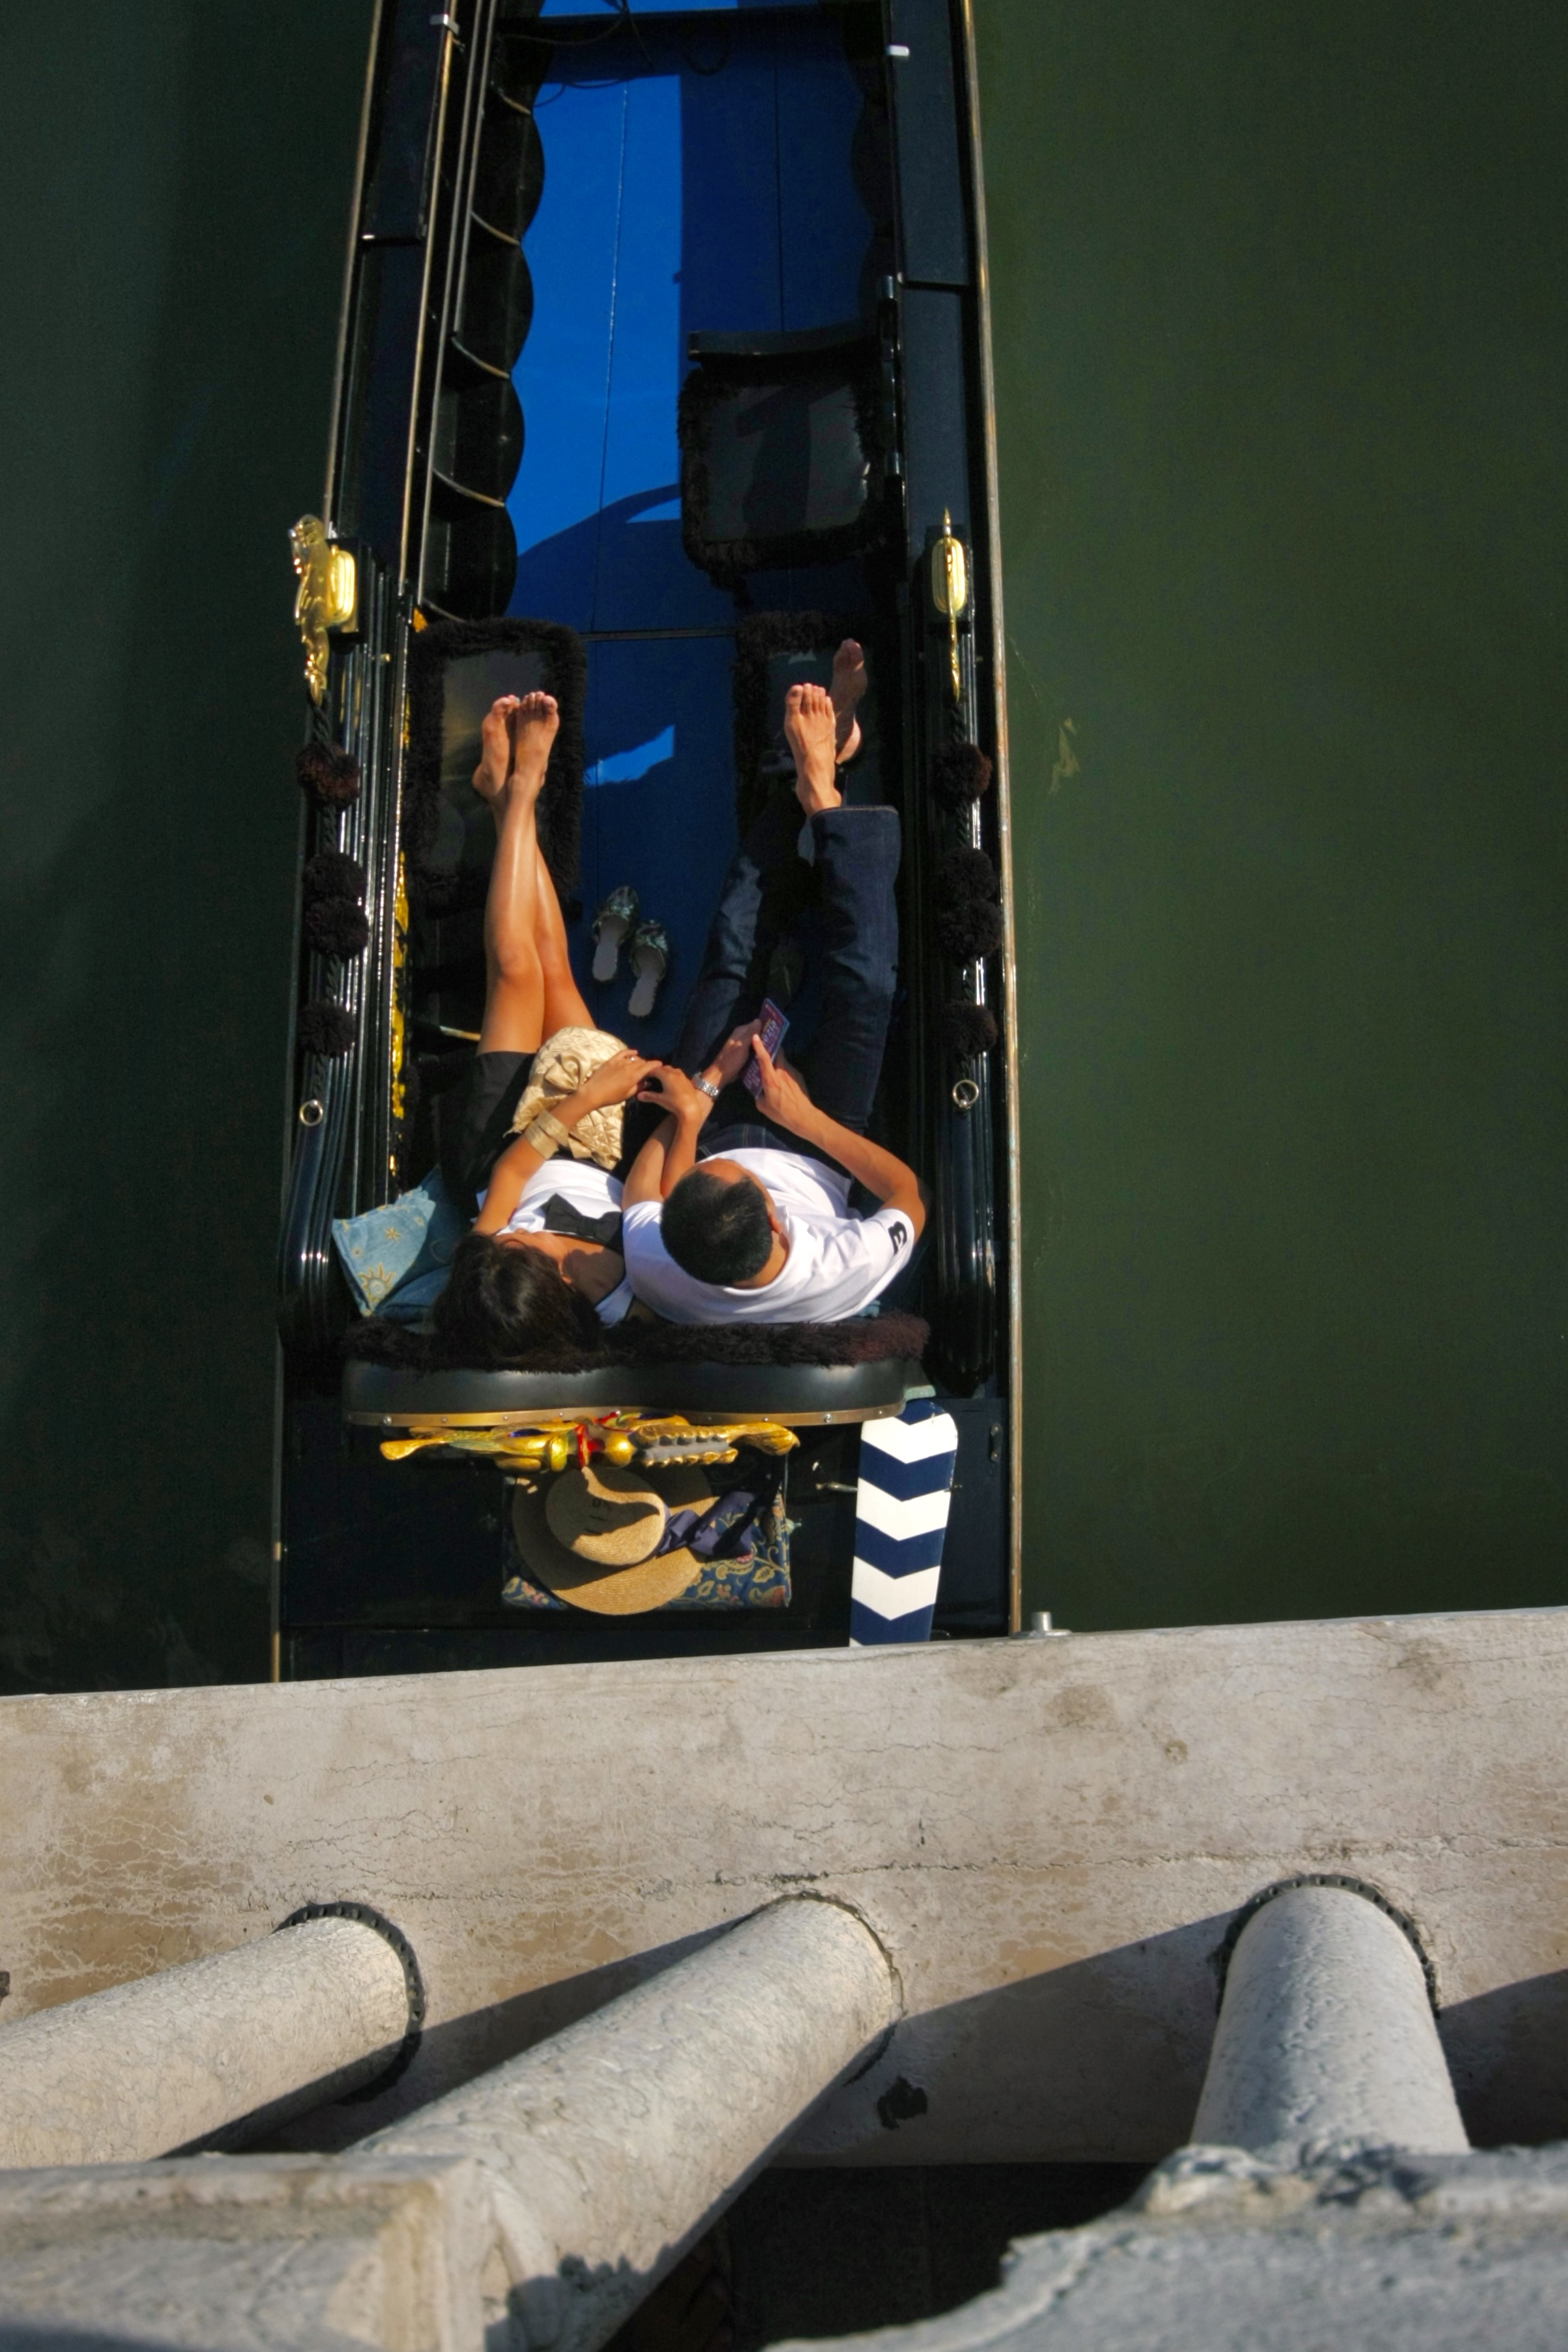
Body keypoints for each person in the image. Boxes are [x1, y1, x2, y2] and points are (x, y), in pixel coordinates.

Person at [620, 670, 927, 1324]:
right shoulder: (840, 1271)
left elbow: (640, 1195)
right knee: (867, 984)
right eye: (741, 1178)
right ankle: (825, 797)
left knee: (732, 949)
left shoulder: (659, 1260)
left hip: (717, 1120)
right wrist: (801, 1117)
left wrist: (700, 1099)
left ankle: (809, 778)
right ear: (779, 1224)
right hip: (824, 1138)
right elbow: (908, 1194)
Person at [433, 691, 655, 1359]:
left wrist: (586, 1095)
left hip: (503, 1143)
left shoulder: (486, 1275)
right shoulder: (612, 1302)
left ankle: (521, 792)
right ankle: (504, 805)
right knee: (555, 969)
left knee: (516, 969)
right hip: (595, 1142)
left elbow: (508, 1179)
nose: (517, 1237)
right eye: (526, 1248)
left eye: (509, 1241)